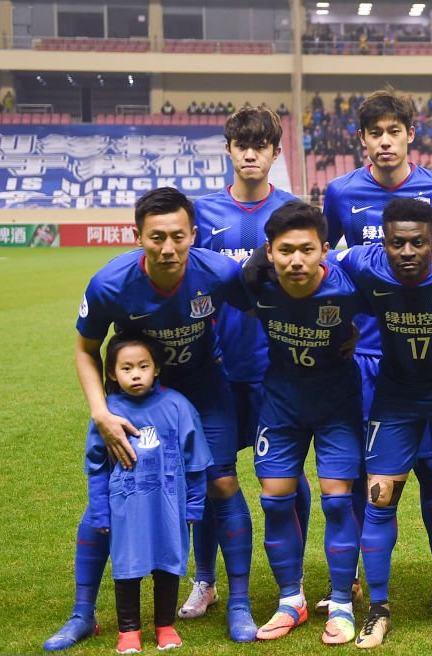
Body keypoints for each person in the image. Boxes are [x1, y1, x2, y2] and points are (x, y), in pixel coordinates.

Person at [46, 187, 255, 651]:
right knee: (112, 494)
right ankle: (83, 614)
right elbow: (85, 349)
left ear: (193, 234)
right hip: (136, 400)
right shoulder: (111, 283)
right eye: (156, 237)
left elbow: (271, 304)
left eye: (178, 237)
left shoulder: (218, 271)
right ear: (137, 235)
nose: (168, 248)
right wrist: (101, 411)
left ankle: (239, 603)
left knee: (221, 481)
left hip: (204, 389)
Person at [320, 87, 432, 617]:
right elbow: (327, 268)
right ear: (361, 139)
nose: (385, 142)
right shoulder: (339, 194)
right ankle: (357, 577)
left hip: (430, 353)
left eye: (394, 132)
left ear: (411, 134)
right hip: (365, 356)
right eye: (374, 134)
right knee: (370, 473)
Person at [333, 198, 432, 648]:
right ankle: (378, 609)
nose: (406, 252)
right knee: (380, 496)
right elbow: (313, 267)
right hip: (396, 396)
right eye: (397, 242)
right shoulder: (365, 263)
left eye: (417, 243)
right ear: (383, 241)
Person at [188, 106, 302, 626]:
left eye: (262, 145)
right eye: (242, 143)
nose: (251, 152)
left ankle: (295, 584)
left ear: (277, 153)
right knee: (212, 476)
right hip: (212, 370)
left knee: (288, 478)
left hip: (278, 370)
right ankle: (205, 582)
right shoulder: (202, 214)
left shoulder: (294, 212)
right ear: (229, 149)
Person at [241, 201, 365, 644]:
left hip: (337, 406)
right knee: (275, 500)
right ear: (269, 252)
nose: (297, 260)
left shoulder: (349, 286)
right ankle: (290, 601)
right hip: (281, 405)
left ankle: (342, 603)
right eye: (286, 250)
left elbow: (399, 296)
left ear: (325, 250)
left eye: (307, 250)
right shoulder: (255, 286)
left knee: (337, 499)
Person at [85, 332, 211, 654]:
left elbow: (196, 464)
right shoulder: (107, 413)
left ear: (156, 369)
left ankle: (165, 626)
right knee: (128, 565)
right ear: (112, 373)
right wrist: (100, 510)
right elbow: (97, 467)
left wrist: (194, 507)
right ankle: (129, 631)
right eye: (127, 368)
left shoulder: (178, 406)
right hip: (127, 508)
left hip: (169, 507)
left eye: (143, 366)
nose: (136, 374)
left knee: (167, 563)